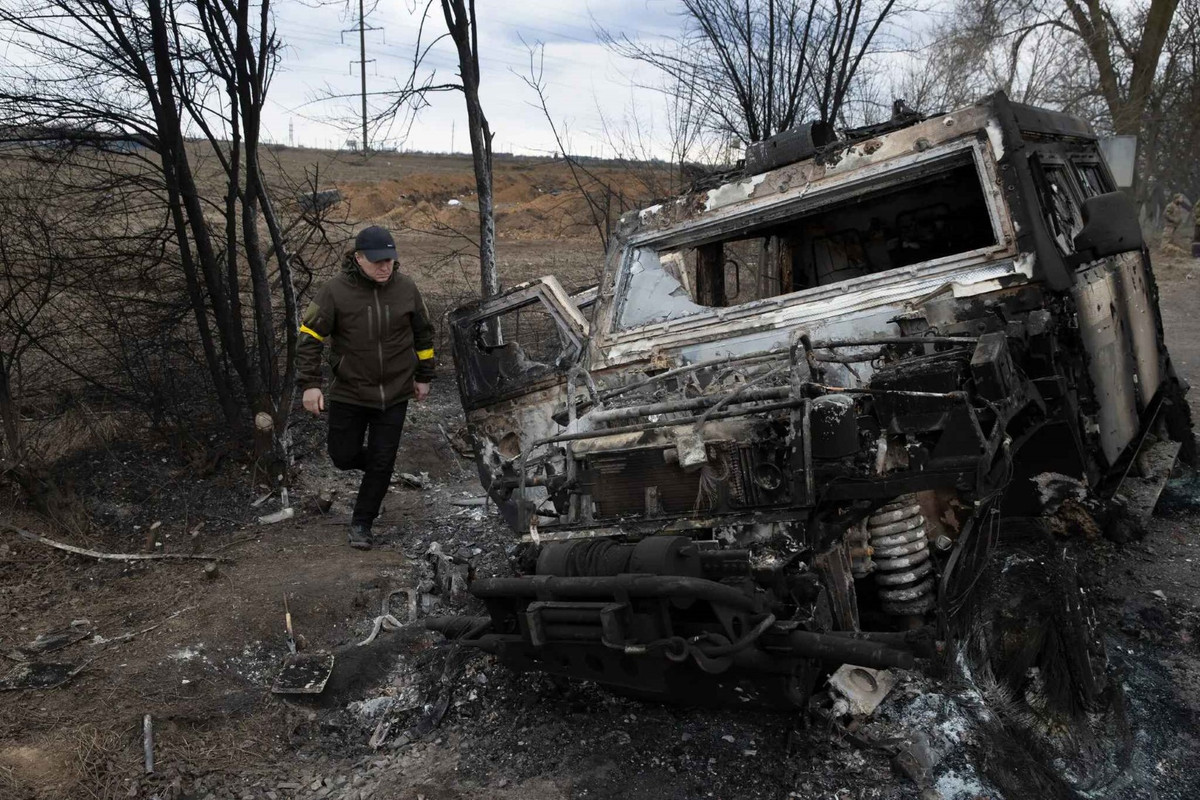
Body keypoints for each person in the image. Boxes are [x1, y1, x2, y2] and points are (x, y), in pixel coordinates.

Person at [296, 225, 436, 549]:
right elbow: (309, 338)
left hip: (396, 392)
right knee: (342, 456)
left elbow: (424, 335)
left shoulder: (406, 289)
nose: (384, 266)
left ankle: (362, 522)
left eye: (389, 260)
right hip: (351, 391)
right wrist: (310, 385)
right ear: (358, 258)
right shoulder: (334, 291)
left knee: (382, 460)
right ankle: (378, 467)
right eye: (376, 261)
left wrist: (424, 376)